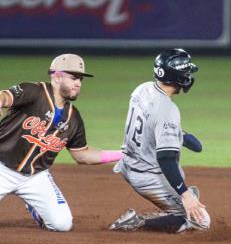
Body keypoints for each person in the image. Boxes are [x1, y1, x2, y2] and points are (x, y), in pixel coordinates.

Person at [0, 54, 123, 231]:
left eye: (80, 79)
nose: (78, 83)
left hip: (35, 177)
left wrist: (122, 154)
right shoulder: (33, 92)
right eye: (73, 78)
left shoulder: (74, 118)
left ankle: (36, 208)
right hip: (2, 170)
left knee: (62, 224)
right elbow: (6, 96)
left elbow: (82, 155)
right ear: (57, 77)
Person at [109, 48, 211, 233]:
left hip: (127, 162)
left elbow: (151, 123)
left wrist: (180, 135)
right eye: (187, 72)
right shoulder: (168, 110)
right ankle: (137, 222)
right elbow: (166, 159)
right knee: (201, 221)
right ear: (178, 77)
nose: (189, 76)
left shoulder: (143, 88)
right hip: (147, 176)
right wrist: (185, 195)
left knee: (178, 173)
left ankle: (178, 199)